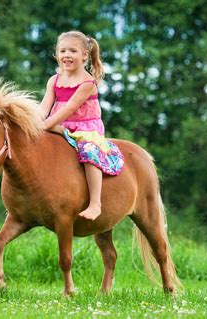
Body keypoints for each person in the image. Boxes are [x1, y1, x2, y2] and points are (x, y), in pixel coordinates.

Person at [40, 30, 124, 221]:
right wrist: (34, 122)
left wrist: (45, 125)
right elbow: (44, 107)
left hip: (85, 129)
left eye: (73, 51)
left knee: (89, 151)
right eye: (62, 51)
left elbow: (69, 109)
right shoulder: (54, 80)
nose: (66, 55)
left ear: (85, 55)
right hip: (58, 125)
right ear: (56, 54)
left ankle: (95, 203)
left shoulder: (87, 83)